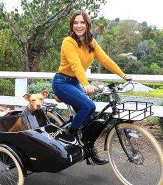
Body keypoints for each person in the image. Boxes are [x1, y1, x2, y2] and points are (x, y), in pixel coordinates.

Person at [52, 10, 133, 165]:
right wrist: (86, 85)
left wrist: (123, 75)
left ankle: (89, 151)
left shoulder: (91, 43)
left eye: (82, 22)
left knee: (90, 123)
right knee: (89, 106)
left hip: (75, 83)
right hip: (62, 82)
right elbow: (75, 64)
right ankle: (70, 135)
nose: (79, 25)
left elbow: (106, 60)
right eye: (75, 22)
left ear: (88, 24)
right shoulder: (68, 42)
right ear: (72, 25)